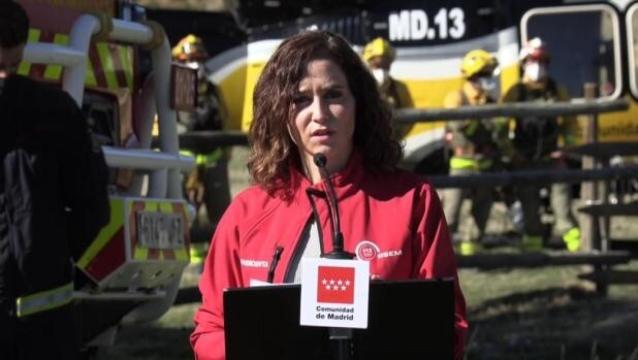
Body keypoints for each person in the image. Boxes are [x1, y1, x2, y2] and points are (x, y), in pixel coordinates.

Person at [190, 30, 467, 359]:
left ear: (358, 105)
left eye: (333, 95)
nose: (319, 113)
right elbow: (210, 328)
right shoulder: (245, 213)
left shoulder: (412, 201)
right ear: (280, 111)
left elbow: (449, 326)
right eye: (301, 99)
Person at [0, 1, 110, 359]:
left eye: (12, 67)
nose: (5, 78)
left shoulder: (55, 112)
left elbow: (92, 206)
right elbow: (91, 208)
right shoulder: (56, 111)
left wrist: (50, 254)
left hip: (42, 325)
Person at [501, 37, 581, 251]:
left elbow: (571, 124)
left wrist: (566, 149)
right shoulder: (515, 92)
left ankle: (575, 243)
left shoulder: (557, 90)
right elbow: (499, 125)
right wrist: (512, 153)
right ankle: (533, 245)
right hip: (525, 159)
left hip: (553, 159)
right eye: (533, 60)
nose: (538, 66)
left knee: (562, 204)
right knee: (529, 205)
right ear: (524, 63)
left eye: (543, 61)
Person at [441, 49, 510, 256]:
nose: (490, 79)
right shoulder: (456, 97)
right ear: (474, 76)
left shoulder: (490, 100)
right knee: (450, 211)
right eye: (486, 74)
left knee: (481, 209)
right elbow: (457, 124)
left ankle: (472, 249)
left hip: (485, 163)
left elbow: (500, 127)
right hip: (462, 162)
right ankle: (439, 250)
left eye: (490, 74)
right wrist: (479, 114)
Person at [171, 34, 231, 265]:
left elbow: (224, 119)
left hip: (215, 159)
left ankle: (221, 258)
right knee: (189, 213)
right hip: (187, 162)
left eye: (199, 59)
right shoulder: (176, 90)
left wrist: (226, 153)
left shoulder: (214, 90)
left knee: (220, 212)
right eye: (189, 59)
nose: (196, 65)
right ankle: (195, 260)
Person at [362, 37, 414, 138]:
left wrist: (396, 136)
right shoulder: (358, 87)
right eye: (377, 65)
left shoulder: (400, 88)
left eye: (385, 65)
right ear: (368, 64)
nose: (381, 69)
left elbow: (410, 117)